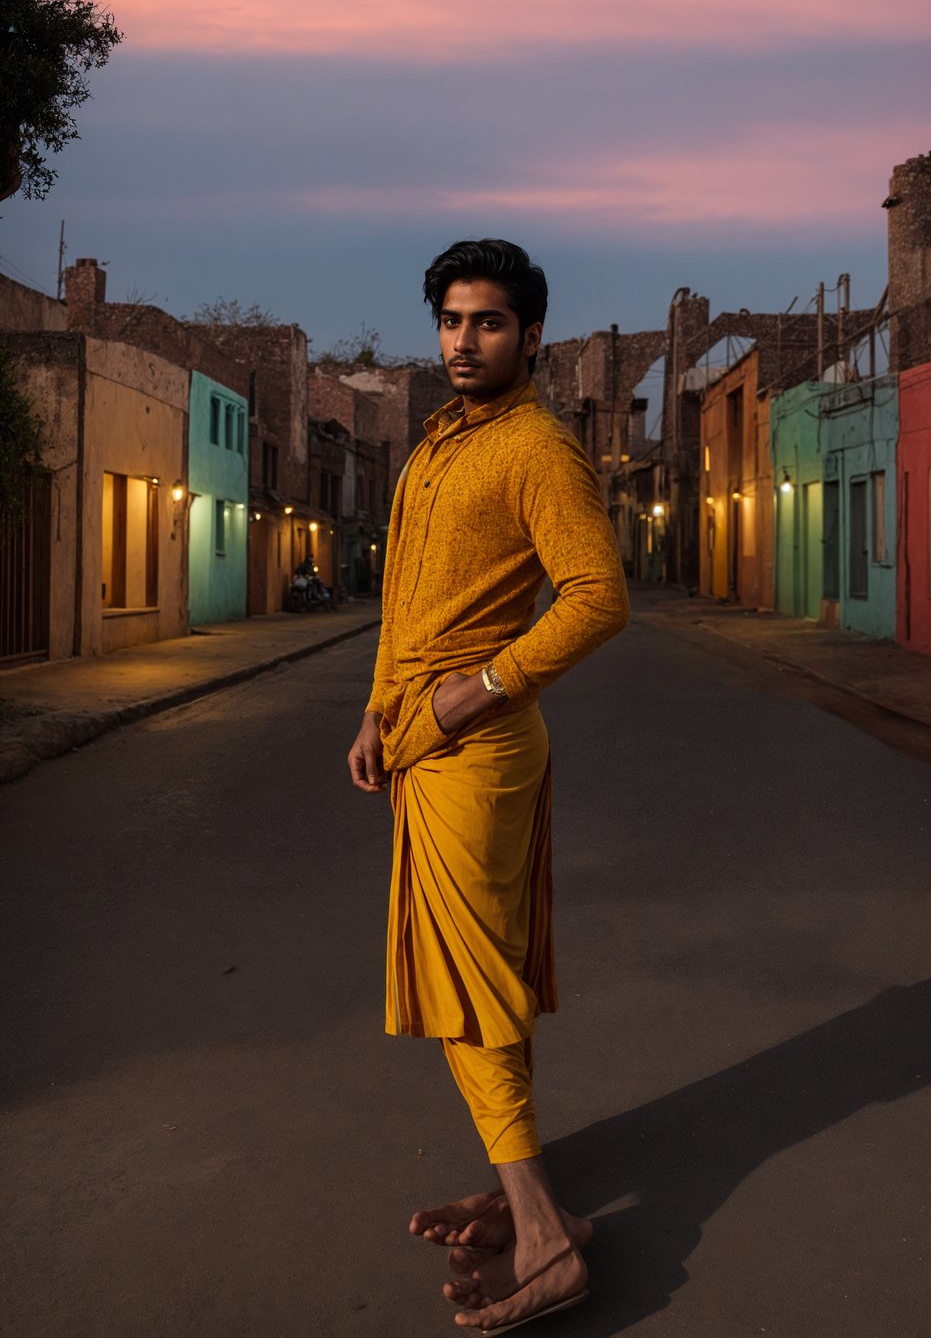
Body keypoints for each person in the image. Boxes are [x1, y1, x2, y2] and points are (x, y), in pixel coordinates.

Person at [347, 239, 629, 1332]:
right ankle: (526, 1199)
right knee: (477, 980)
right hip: (420, 743)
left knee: (472, 989)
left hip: (480, 749)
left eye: (489, 323)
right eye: (452, 321)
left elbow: (596, 597)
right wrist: (377, 709)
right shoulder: (431, 447)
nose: (465, 341)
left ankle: (546, 1236)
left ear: (533, 336)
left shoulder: (537, 450)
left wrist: (487, 687)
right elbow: (404, 599)